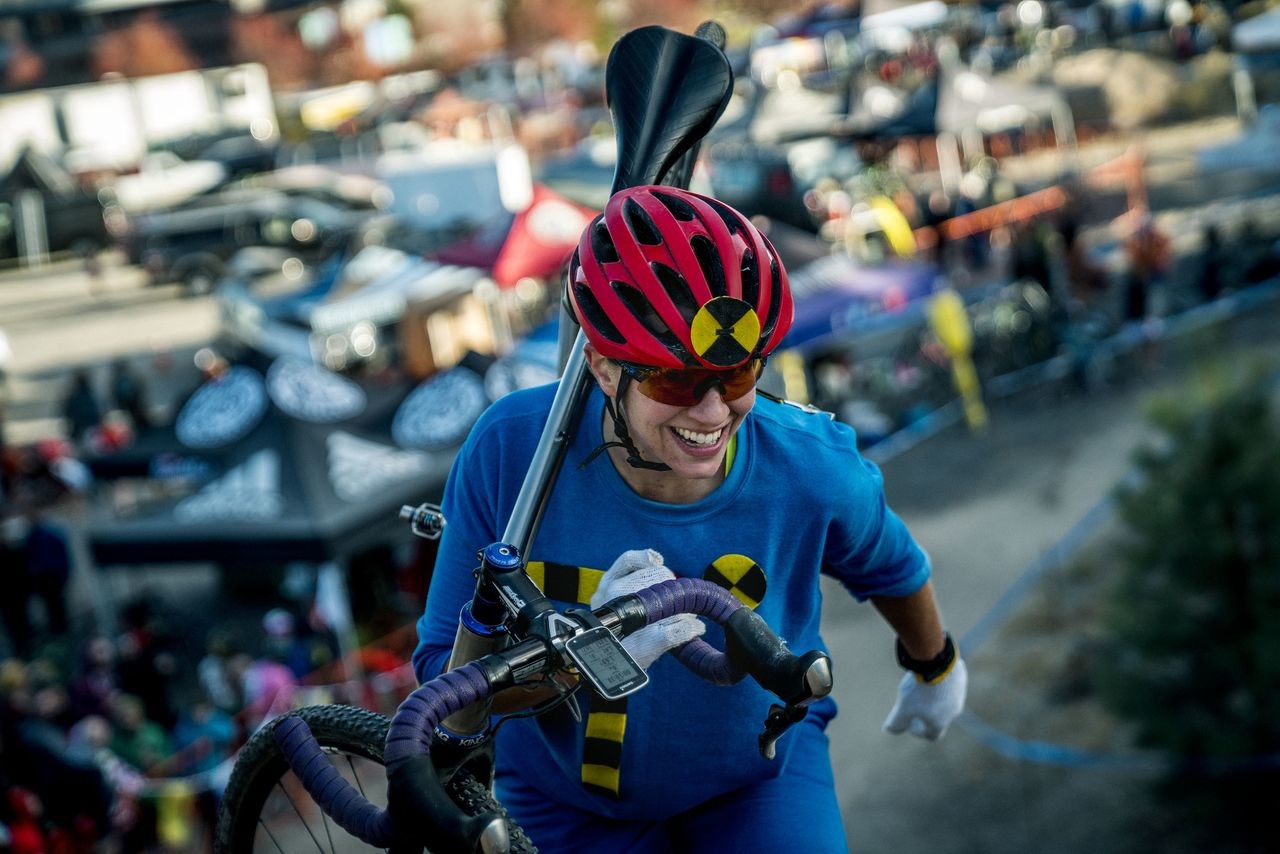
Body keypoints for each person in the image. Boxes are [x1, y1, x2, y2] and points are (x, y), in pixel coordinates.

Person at [412, 186, 966, 851]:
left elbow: (893, 567)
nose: (711, 413)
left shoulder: (810, 466)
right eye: (675, 381)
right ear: (603, 367)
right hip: (564, 799)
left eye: (737, 376)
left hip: (756, 783)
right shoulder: (511, 452)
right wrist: (571, 664)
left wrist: (935, 665)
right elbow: (443, 689)